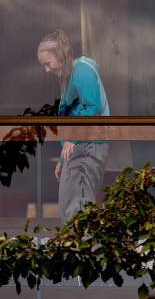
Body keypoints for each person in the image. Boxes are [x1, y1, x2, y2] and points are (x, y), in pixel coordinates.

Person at [36, 30, 110, 223]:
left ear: (59, 56)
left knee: (79, 209)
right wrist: (62, 157)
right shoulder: (70, 76)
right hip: (79, 145)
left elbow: (93, 106)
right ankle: (77, 249)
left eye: (47, 63)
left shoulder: (82, 70)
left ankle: (84, 251)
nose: (47, 70)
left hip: (88, 145)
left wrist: (72, 139)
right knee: (71, 206)